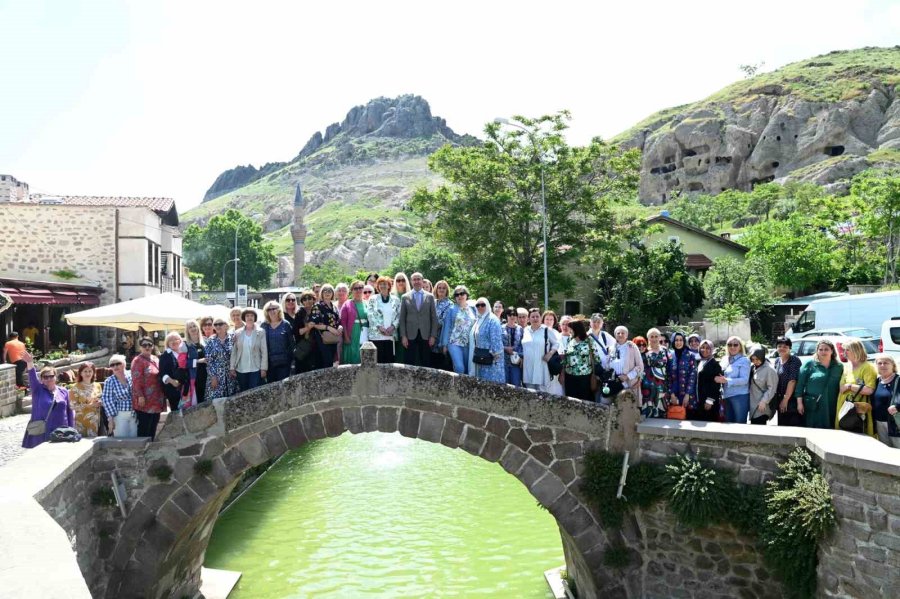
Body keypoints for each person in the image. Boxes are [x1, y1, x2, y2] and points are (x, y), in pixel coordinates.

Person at [21, 352, 74, 448]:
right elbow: (32, 376)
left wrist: (72, 429)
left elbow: (69, 411)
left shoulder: (63, 391)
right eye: (45, 377)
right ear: (41, 379)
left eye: (51, 376)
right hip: (42, 431)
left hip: (61, 430)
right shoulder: (38, 390)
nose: (49, 379)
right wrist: (30, 362)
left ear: (56, 377)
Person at [795, 340, 843, 430]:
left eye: (826, 349)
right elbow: (800, 385)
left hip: (832, 404)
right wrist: (799, 403)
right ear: (817, 351)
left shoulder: (839, 366)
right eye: (820, 349)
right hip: (814, 404)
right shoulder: (809, 364)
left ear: (832, 351)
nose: (823, 352)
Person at [833, 340, 876, 437]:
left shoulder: (867, 367)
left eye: (847, 350)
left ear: (856, 350)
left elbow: (869, 390)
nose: (844, 353)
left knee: (858, 434)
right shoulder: (847, 366)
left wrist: (850, 386)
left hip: (858, 408)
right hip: (844, 405)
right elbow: (841, 388)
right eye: (844, 350)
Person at [398, 272, 439, 367]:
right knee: (409, 361)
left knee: (425, 361)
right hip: (410, 335)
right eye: (414, 279)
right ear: (411, 281)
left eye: (418, 279)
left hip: (426, 335)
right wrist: (403, 336)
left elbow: (434, 318)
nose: (416, 281)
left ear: (422, 280)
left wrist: (433, 336)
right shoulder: (405, 297)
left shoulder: (430, 296)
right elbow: (402, 318)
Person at [131, 336, 166, 439]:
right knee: (144, 427)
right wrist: (140, 396)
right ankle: (142, 451)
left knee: (153, 426)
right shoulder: (137, 360)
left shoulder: (155, 359)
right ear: (140, 347)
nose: (147, 347)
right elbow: (136, 380)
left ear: (153, 346)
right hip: (145, 400)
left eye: (149, 345)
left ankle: (150, 449)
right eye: (144, 345)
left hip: (157, 399)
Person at [440, 285, 477, 374]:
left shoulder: (473, 309)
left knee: (468, 369)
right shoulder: (451, 309)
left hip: (469, 344)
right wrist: (444, 345)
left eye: (462, 293)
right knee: (460, 368)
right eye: (457, 294)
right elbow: (447, 327)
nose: (459, 296)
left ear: (466, 295)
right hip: (454, 343)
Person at [562, 319, 602, 401]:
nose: (569, 330)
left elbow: (597, 358)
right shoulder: (569, 340)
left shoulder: (589, 340)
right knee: (571, 401)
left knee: (585, 401)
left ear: (576, 329)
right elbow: (566, 357)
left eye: (570, 328)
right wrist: (562, 372)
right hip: (570, 377)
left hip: (585, 377)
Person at [715, 336, 751, 423]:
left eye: (735, 345)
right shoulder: (724, 359)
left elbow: (744, 380)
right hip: (726, 396)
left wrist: (727, 380)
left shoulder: (744, 360)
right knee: (729, 423)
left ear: (740, 347)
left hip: (739, 396)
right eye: (729, 345)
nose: (732, 347)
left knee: (739, 424)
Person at [230, 308, 268, 391]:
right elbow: (234, 352)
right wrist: (232, 367)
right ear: (244, 318)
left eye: (252, 316)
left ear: (255, 318)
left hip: (256, 368)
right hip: (241, 369)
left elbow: (264, 351)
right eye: (247, 316)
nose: (250, 318)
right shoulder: (238, 333)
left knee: (254, 393)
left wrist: (264, 368)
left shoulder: (261, 332)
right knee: (243, 393)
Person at [470, 297, 505, 383]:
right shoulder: (479, 319)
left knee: (493, 385)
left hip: (492, 359)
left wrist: (495, 355)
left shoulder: (492, 320)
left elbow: (496, 339)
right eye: (478, 305)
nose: (480, 307)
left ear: (488, 306)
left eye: (483, 305)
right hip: (481, 358)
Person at [522, 308, 558, 392]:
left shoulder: (546, 330)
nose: (535, 319)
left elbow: (556, 343)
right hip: (528, 367)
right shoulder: (525, 330)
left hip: (542, 366)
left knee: (542, 395)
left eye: (537, 316)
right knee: (530, 394)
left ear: (541, 318)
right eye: (532, 317)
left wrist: (550, 353)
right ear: (529, 318)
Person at [101, 354, 136, 438]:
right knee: (121, 440)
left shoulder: (133, 375)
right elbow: (107, 400)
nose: (115, 366)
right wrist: (110, 419)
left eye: (118, 363)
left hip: (135, 413)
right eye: (112, 365)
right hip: (120, 414)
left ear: (124, 364)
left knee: (136, 439)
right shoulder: (109, 381)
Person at [367, 276, 401, 363]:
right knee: (377, 362)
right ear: (377, 286)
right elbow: (370, 314)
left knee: (389, 362)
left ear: (389, 286)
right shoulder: (372, 299)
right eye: (380, 284)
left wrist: (393, 326)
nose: (383, 286)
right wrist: (379, 327)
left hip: (390, 336)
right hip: (376, 335)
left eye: (385, 284)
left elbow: (399, 315)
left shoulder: (396, 300)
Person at [261, 300, 294, 382]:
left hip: (284, 363)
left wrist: (292, 362)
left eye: (274, 309)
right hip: (269, 364)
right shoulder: (264, 325)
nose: (272, 311)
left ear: (279, 309)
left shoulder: (286, 324)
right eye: (269, 309)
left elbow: (292, 344)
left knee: (282, 387)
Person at [309, 285, 341, 369]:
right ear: (321, 293)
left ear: (333, 293)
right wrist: (329, 328)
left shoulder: (334, 307)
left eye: (329, 291)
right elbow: (314, 324)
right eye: (325, 291)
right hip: (322, 339)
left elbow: (338, 321)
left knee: (331, 363)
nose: (327, 293)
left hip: (333, 339)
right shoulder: (317, 306)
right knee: (325, 363)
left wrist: (340, 327)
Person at [641, 328, 670, 419]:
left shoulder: (665, 350)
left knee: (662, 409)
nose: (654, 339)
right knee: (649, 411)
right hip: (648, 386)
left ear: (660, 337)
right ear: (648, 338)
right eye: (651, 337)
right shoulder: (644, 351)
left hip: (663, 385)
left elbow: (670, 366)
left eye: (656, 336)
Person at [774, 337, 803, 427]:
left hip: (791, 400)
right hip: (780, 398)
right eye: (779, 346)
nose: (782, 348)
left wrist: (785, 400)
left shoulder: (794, 360)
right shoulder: (777, 361)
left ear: (790, 348)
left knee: (791, 427)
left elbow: (792, 381)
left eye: (785, 346)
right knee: (782, 426)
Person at [872, 354, 900, 448]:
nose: (882, 365)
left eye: (886, 363)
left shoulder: (898, 380)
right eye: (880, 363)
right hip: (880, 423)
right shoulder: (877, 381)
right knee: (887, 452)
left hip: (895, 424)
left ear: (893, 365)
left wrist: (897, 407)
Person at [692, 339, 723, 421]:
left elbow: (716, 385)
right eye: (702, 347)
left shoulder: (715, 364)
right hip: (699, 399)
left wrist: (710, 400)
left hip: (709, 402)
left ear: (711, 350)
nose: (704, 350)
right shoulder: (699, 362)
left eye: (707, 348)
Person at [205, 318, 236, 400]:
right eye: (215, 325)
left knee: (230, 401)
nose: (218, 326)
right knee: (216, 401)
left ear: (226, 325)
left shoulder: (232, 338)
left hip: (230, 375)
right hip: (216, 376)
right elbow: (209, 361)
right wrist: (213, 376)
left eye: (220, 324)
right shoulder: (211, 340)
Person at [70, 361, 102, 437]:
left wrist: (100, 402)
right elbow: (72, 406)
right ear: (81, 373)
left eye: (90, 371)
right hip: (81, 422)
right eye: (85, 371)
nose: (88, 373)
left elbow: (101, 398)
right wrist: (89, 406)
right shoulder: (75, 388)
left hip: (95, 421)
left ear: (93, 372)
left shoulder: (97, 385)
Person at [667, 332, 697, 416]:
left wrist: (687, 394)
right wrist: (672, 394)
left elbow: (692, 376)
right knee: (676, 419)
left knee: (690, 419)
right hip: (675, 395)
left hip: (688, 395)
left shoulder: (690, 355)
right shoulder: (670, 356)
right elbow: (668, 376)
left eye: (681, 340)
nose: (678, 342)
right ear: (673, 341)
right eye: (676, 340)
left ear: (684, 341)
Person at [339, 281, 369, 365]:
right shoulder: (347, 304)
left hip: (364, 332)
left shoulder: (367, 303)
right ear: (352, 290)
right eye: (356, 288)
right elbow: (343, 322)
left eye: (360, 288)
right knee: (351, 355)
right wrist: (346, 336)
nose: (358, 290)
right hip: (352, 333)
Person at [610, 326, 644, 397]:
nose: (620, 335)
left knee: (628, 405)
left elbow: (640, 366)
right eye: (618, 333)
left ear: (626, 335)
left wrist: (627, 376)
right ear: (615, 335)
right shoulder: (611, 348)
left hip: (629, 382)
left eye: (623, 333)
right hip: (614, 382)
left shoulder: (632, 347)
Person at [158, 333, 189, 412]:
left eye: (175, 339)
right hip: (173, 389)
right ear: (167, 343)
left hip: (187, 388)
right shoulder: (165, 355)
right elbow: (162, 373)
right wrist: (172, 381)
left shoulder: (185, 353)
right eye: (170, 340)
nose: (173, 342)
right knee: (176, 413)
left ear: (180, 341)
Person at [748, 346, 779, 424]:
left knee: (759, 432)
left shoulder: (769, 369)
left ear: (762, 357)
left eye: (757, 359)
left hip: (762, 406)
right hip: (753, 405)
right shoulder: (753, 367)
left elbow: (772, 388)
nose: (755, 361)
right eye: (753, 359)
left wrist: (764, 401)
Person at [431, 280, 453, 370]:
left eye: (444, 288)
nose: (441, 290)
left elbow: (443, 321)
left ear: (447, 290)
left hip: (441, 337)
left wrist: (430, 327)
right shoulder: (432, 302)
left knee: (440, 365)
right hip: (429, 337)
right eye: (439, 288)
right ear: (436, 289)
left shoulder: (450, 304)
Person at [184, 319, 207, 404]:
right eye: (190, 327)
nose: (193, 328)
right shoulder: (185, 345)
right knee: (198, 402)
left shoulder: (206, 341)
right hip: (194, 377)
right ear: (187, 331)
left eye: (194, 326)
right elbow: (183, 363)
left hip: (207, 375)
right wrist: (198, 361)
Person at [502, 307, 524, 386]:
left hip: (516, 361)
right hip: (503, 361)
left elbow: (523, 344)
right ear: (506, 316)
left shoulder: (520, 329)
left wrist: (521, 357)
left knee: (516, 384)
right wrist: (505, 348)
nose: (512, 317)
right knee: (505, 385)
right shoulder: (501, 328)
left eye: (514, 314)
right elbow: (497, 343)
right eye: (509, 314)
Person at [392, 273, 411, 363]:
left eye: (403, 280)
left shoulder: (410, 295)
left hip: (407, 328)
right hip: (394, 328)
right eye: (398, 280)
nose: (400, 282)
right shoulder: (391, 295)